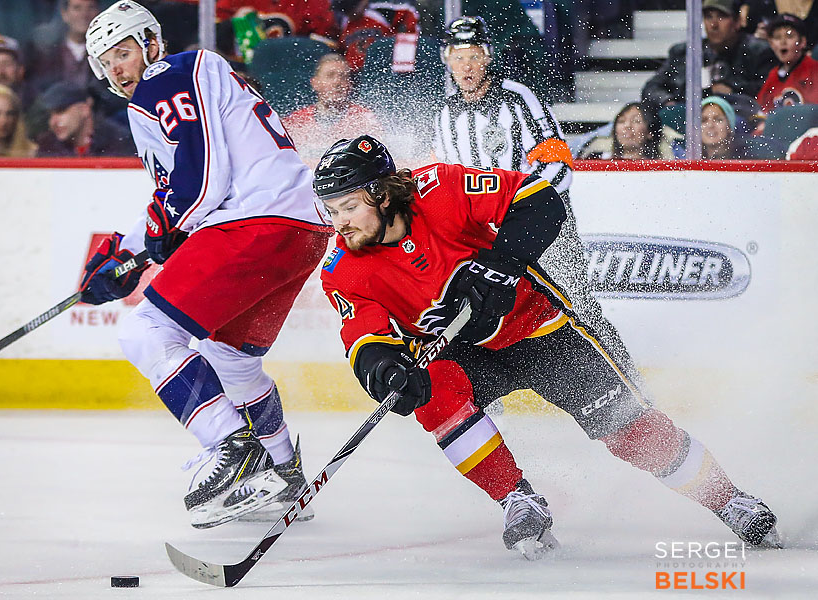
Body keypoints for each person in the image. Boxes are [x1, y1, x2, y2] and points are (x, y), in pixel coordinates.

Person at [315, 134, 781, 557]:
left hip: (540, 329)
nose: (341, 223)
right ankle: (517, 499)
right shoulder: (341, 268)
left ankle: (728, 499)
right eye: (331, 211)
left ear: (382, 193)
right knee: (434, 392)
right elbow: (365, 339)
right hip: (462, 350)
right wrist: (386, 372)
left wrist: (500, 264)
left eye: (349, 207)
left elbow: (538, 201)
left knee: (629, 430)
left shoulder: (440, 188)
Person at [82, 1, 333, 527]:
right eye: (108, 63)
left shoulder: (166, 75)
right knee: (231, 358)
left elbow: (202, 178)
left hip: (255, 221)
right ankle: (284, 475)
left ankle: (231, 449)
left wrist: (154, 239)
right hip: (298, 228)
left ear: (151, 43)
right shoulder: (175, 86)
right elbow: (182, 192)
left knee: (145, 332)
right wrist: (126, 247)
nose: (120, 69)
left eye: (124, 52)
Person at [433, 16, 647, 406]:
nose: (466, 65)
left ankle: (632, 390)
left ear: (488, 57)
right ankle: (477, 408)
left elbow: (559, 163)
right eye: (458, 56)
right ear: (447, 60)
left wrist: (519, 207)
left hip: (542, 223)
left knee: (577, 306)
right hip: (488, 236)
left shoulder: (518, 98)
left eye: (474, 55)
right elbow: (446, 183)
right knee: (486, 315)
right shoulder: (444, 116)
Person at [642, 0, 776, 112]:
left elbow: (769, 91)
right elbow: (651, 88)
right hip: (688, 121)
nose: (713, 25)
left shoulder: (758, 52)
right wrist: (670, 104)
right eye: (708, 17)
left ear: (737, 21)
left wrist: (733, 91)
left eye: (721, 16)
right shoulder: (684, 52)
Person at [282, 53, 383, 162]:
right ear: (315, 83)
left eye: (343, 77)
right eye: (330, 75)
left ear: (350, 84)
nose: (337, 82)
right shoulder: (297, 120)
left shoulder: (364, 118)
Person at [35, 81, 135, 157]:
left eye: (61, 111)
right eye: (50, 115)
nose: (53, 122)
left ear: (84, 109)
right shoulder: (48, 145)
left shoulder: (119, 140)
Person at [333, 0, 420, 71]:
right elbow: (341, 47)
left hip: (384, 68)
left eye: (352, 9)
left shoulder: (381, 12)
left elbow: (410, 13)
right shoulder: (343, 21)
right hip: (355, 73)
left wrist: (404, 50)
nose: (349, 13)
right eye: (344, 10)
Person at [756, 14, 818, 113]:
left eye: (789, 36)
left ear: (802, 42)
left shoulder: (814, 70)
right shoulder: (773, 75)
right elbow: (760, 112)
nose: (783, 42)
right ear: (771, 44)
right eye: (777, 37)